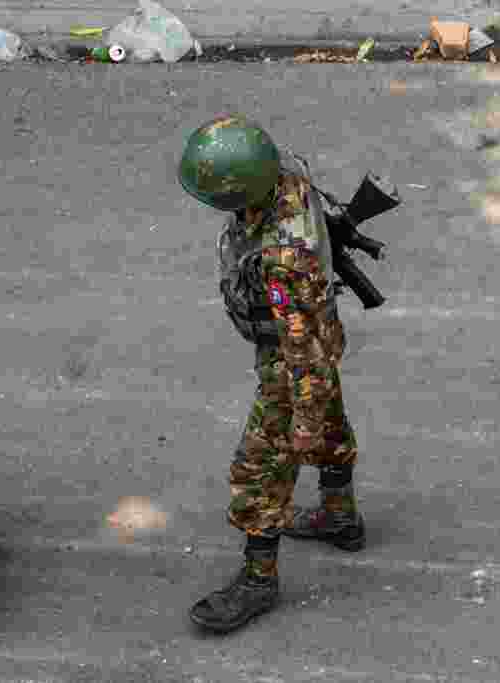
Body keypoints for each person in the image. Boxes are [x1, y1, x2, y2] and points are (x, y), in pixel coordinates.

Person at [177, 115, 365, 633]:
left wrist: (300, 414)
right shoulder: (284, 174)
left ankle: (258, 581)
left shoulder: (283, 259)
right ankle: (339, 515)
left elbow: (299, 347)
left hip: (293, 355)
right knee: (328, 424)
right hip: (319, 331)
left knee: (259, 469)